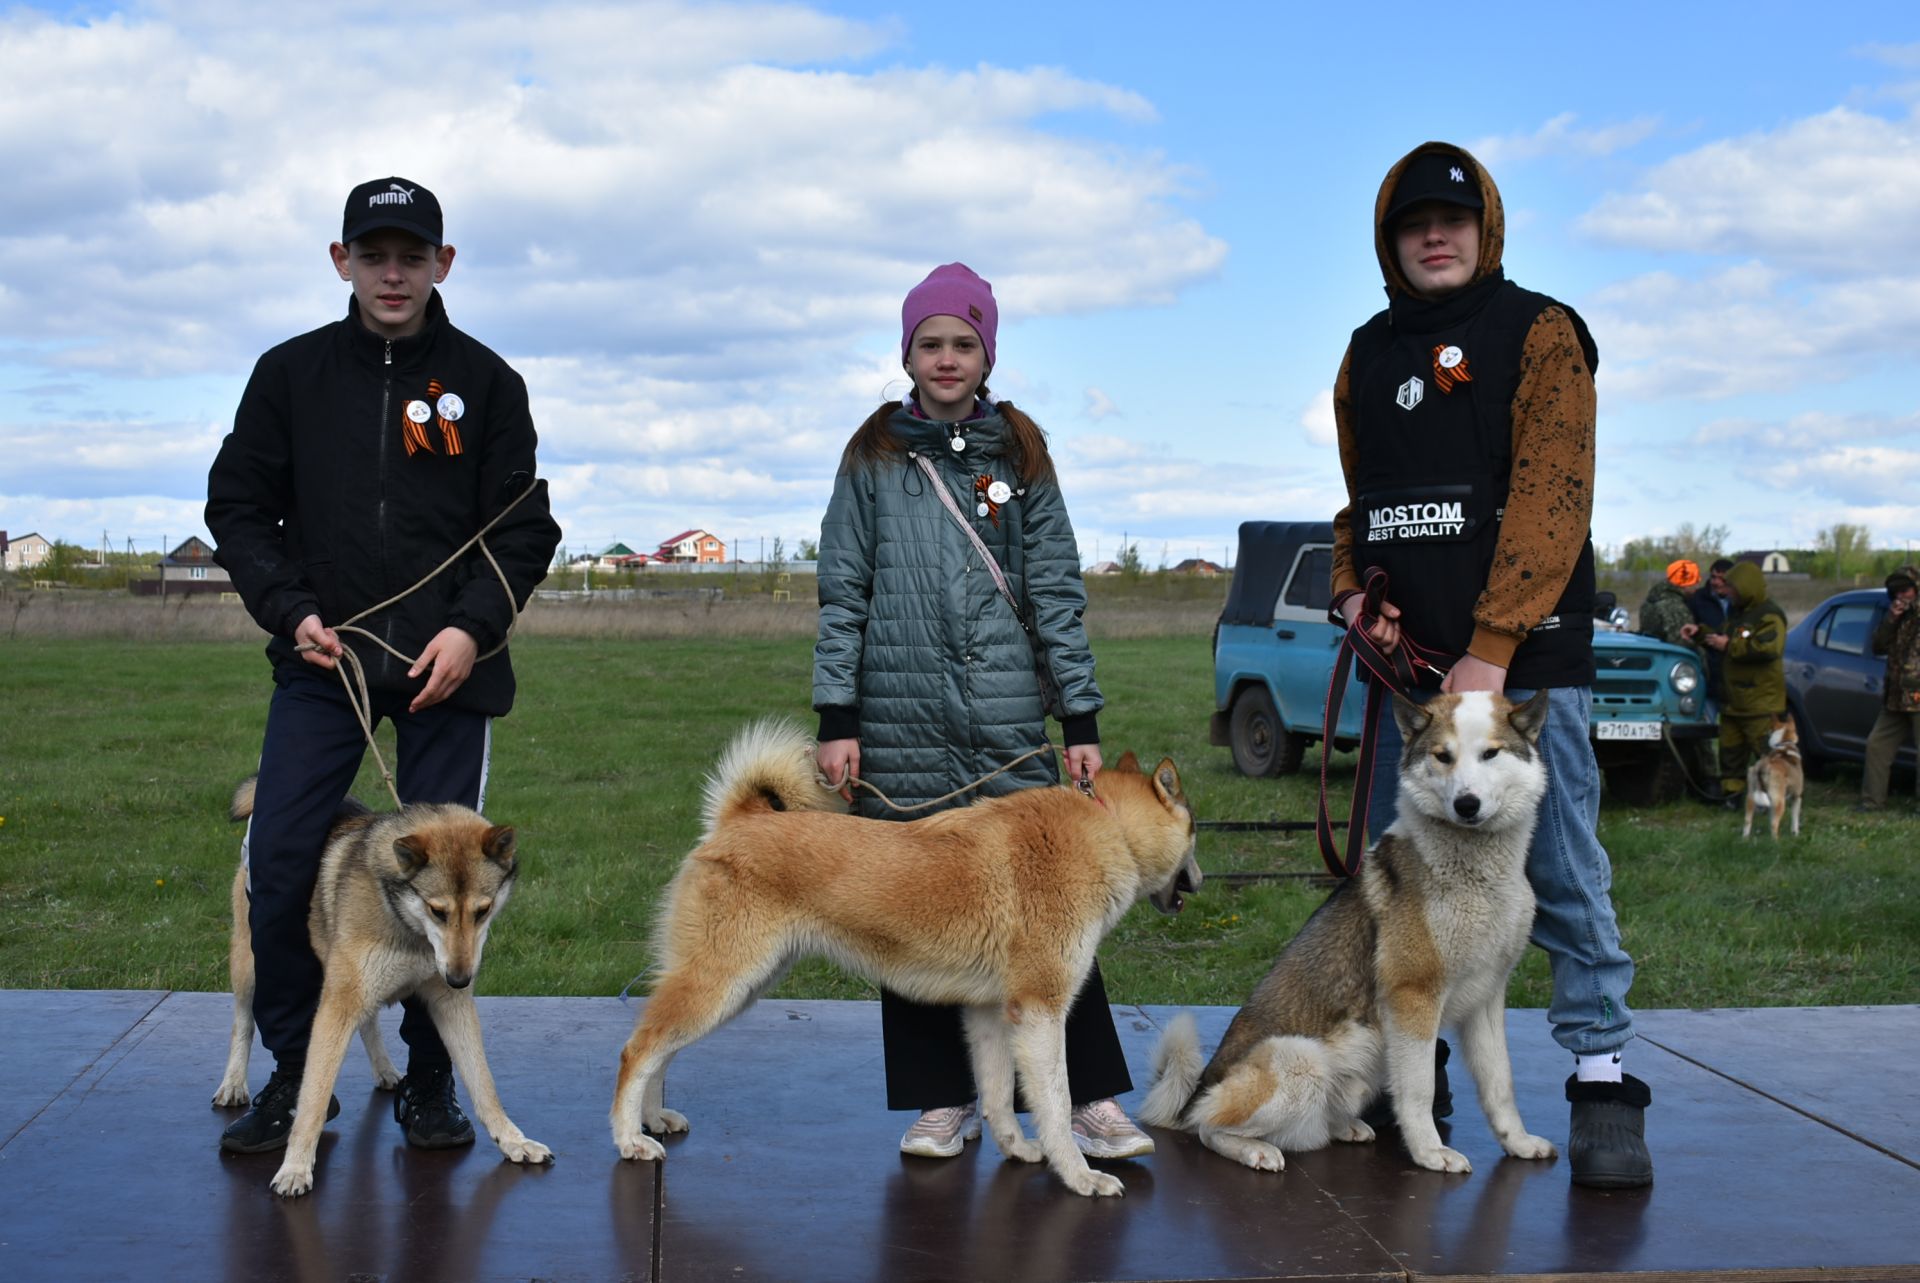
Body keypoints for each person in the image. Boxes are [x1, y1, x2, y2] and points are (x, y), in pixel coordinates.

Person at [205, 177, 562, 1156]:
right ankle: (295, 1076)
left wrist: (470, 630)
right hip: (327, 665)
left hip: (451, 670)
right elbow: (236, 507)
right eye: (375, 255)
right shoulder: (289, 375)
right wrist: (292, 608)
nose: (393, 272)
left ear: (444, 263)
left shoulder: (486, 384)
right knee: (278, 862)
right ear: (341, 261)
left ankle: (431, 1082)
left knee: (443, 886)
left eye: (413, 254)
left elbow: (522, 529)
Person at [1328, 143, 1652, 1188]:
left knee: (1555, 870)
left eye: (1453, 220)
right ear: (1389, 238)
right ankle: (1416, 1084)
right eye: (1414, 221)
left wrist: (1492, 647)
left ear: (1487, 229)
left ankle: (1600, 1074)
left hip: (1515, 677)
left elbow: (1557, 494)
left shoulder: (1539, 332)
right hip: (1415, 689)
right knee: (1407, 887)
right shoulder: (1367, 355)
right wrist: (1351, 590)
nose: (1436, 235)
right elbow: (1363, 501)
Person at [811, 263, 1152, 1163]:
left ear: (987, 352)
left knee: (1053, 908)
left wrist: (1079, 722)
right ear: (907, 353)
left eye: (964, 343)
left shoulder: (1022, 453)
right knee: (913, 903)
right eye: (931, 344)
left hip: (1007, 723)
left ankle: (1086, 1097)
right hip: (899, 715)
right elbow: (843, 590)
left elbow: (1055, 592)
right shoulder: (873, 457)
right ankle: (939, 1098)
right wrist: (836, 715)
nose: (947, 358)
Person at [1702, 561, 1787, 806]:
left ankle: (1774, 798)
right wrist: (1700, 633)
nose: (1726, 592)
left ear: (1745, 587)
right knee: (1730, 755)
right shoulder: (1737, 614)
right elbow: (1722, 636)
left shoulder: (1769, 615)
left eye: (1731, 588)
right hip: (1733, 703)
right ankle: (1733, 796)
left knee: (1768, 754)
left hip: (1760, 704)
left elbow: (1770, 648)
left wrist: (1729, 646)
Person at [1857, 565, 1920, 812]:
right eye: (1896, 592)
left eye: (1906, 590)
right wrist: (1891, 618)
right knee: (1877, 745)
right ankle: (1872, 802)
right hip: (1896, 696)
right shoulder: (1897, 617)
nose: (1901, 596)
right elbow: (1878, 646)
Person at [1686, 558, 1736, 703]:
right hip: (1706, 670)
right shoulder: (1697, 599)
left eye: (1722, 579)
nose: (1716, 582)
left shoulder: (1740, 602)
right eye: (1713, 577)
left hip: (1734, 671)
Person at [1639, 560, 1702, 647]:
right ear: (1685, 583)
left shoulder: (1653, 599)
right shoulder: (1675, 607)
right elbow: (1682, 643)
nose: (1697, 587)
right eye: (1695, 582)